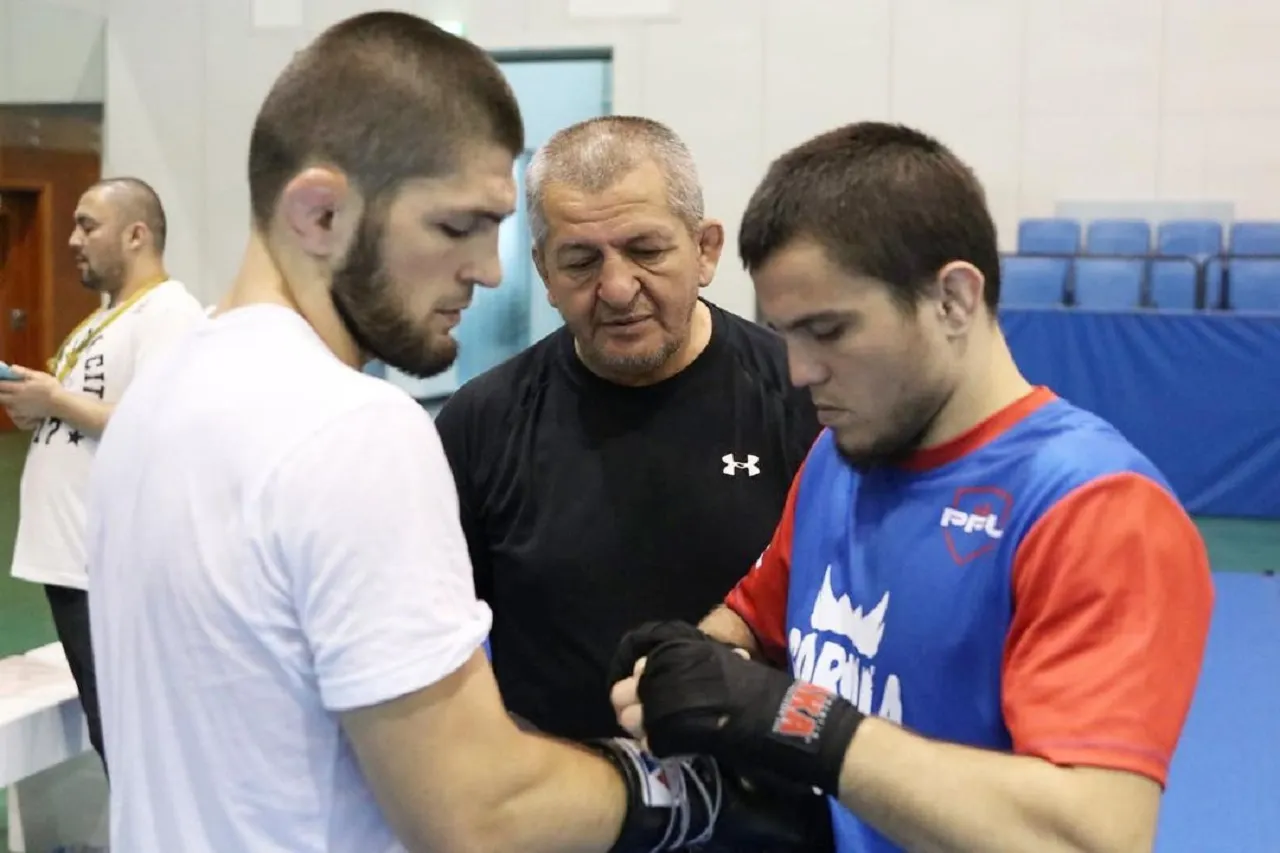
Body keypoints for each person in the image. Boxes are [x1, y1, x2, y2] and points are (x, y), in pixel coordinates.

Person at [83, 13, 825, 853]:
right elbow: (479, 810)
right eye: (456, 226)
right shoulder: (356, 431)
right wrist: (692, 794)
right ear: (321, 214)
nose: (488, 269)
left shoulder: (155, 402)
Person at [608, 121, 1215, 853]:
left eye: (828, 330)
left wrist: (800, 724)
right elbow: (755, 622)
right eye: (786, 332)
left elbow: (1091, 839)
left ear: (954, 299)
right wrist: (688, 667)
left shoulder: (1095, 509)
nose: (799, 370)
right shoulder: (839, 456)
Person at [434, 115, 820, 742]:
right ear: (545, 273)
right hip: (563, 814)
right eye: (581, 262)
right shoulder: (481, 425)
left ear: (706, 249)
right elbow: (439, 652)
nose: (616, 289)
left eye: (646, 251)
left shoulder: (805, 401)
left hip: (765, 806)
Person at [1, 176, 203, 771]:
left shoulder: (170, 313)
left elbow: (159, 424)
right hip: (74, 561)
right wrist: (39, 401)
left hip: (109, 565)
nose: (71, 239)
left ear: (137, 234)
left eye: (88, 225)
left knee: (130, 737)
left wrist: (56, 401)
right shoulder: (107, 319)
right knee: (110, 727)